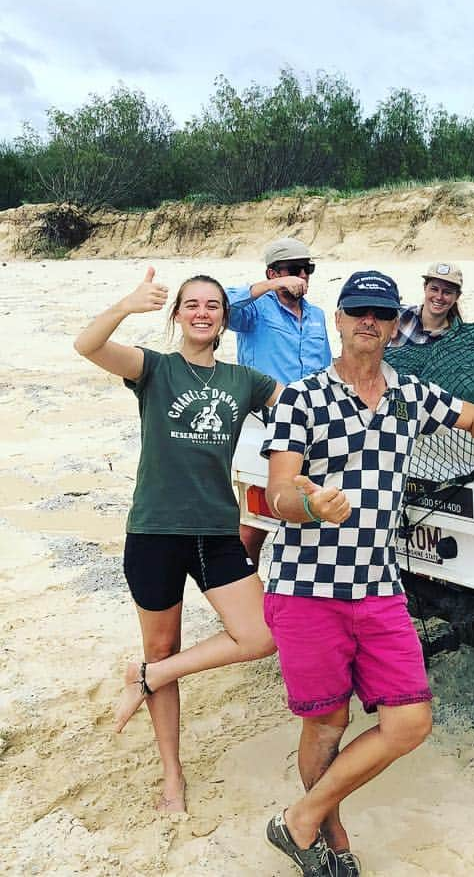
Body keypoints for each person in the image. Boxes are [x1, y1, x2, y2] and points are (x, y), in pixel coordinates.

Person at [261, 270, 474, 877]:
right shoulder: (300, 397)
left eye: (380, 314)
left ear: (394, 324)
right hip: (307, 586)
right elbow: (279, 490)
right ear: (338, 318)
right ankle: (329, 843)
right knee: (327, 722)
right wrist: (309, 505)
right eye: (357, 311)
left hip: (379, 583)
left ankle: (298, 818)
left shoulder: (410, 394)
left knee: (409, 721)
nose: (368, 322)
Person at [74, 269, 282, 813]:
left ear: (224, 319)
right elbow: (86, 344)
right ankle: (173, 776)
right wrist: (127, 302)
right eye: (191, 304)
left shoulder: (245, 381)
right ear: (177, 314)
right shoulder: (155, 369)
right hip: (154, 532)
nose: (202, 312)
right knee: (161, 644)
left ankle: (149, 677)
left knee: (261, 636)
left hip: (216, 532)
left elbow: (303, 410)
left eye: (213, 305)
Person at [226, 237, 332, 564]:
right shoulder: (254, 311)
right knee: (253, 519)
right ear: (273, 272)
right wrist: (269, 287)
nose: (301, 276)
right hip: (263, 421)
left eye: (306, 269)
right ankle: (242, 590)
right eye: (292, 271)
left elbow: (326, 365)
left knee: (311, 503)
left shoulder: (316, 315)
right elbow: (221, 304)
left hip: (313, 421)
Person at [388, 261, 464, 347]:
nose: (439, 297)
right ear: (425, 287)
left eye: (447, 292)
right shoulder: (399, 315)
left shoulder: (458, 339)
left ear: (457, 296)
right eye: (434, 289)